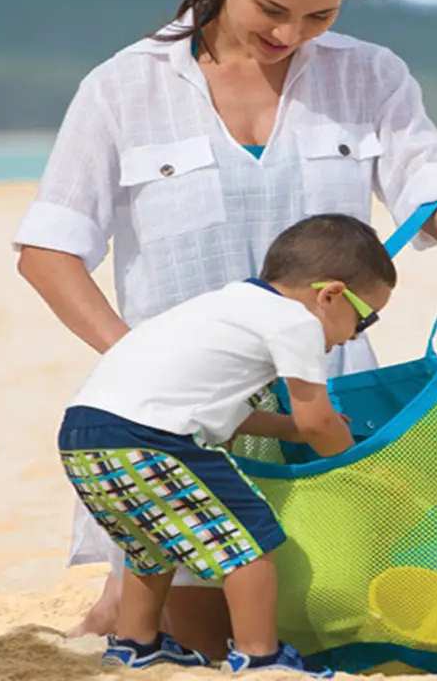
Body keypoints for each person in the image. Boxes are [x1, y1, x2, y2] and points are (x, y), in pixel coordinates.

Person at [13, 0, 437, 655]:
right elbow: (48, 250)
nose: (288, 36)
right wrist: (139, 362)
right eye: (272, 9)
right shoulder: (123, 87)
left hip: (320, 405)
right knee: (205, 638)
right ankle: (130, 604)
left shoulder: (372, 77)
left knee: (336, 630)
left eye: (318, 18)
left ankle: (128, 605)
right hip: (186, 426)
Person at [58, 214, 394, 671]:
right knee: (249, 533)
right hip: (150, 439)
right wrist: (356, 466)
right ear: (331, 294)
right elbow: (317, 421)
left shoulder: (228, 305)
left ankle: (137, 643)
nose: (355, 335)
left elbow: (233, 420)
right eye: (364, 318)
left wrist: (289, 428)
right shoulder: (297, 322)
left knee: (149, 542)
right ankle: (260, 655)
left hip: (85, 435)